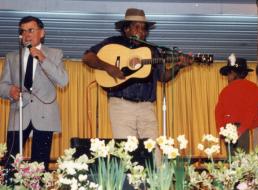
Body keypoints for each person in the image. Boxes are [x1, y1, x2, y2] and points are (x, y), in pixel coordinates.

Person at [82, 8, 187, 143]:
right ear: (127, 29)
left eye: (144, 29)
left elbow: (163, 76)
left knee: (152, 151)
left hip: (147, 107)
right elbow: (87, 57)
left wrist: (178, 66)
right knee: (126, 151)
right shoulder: (113, 42)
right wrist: (108, 67)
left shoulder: (152, 50)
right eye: (137, 27)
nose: (141, 32)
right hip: (121, 105)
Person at [0, 16, 68, 170]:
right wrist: (9, 90)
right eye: (23, 31)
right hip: (19, 113)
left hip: (45, 114)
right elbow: (2, 85)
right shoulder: (12, 57)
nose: (26, 35)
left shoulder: (55, 54)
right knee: (10, 162)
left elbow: (63, 80)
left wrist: (43, 58)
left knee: (40, 164)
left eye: (31, 30)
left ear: (42, 33)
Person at [215, 54, 258, 153]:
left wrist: (222, 130)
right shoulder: (252, 87)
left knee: (231, 161)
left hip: (228, 129)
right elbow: (252, 111)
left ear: (234, 73)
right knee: (242, 162)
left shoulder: (225, 91)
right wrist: (242, 129)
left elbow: (218, 113)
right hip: (243, 129)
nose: (227, 77)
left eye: (228, 74)